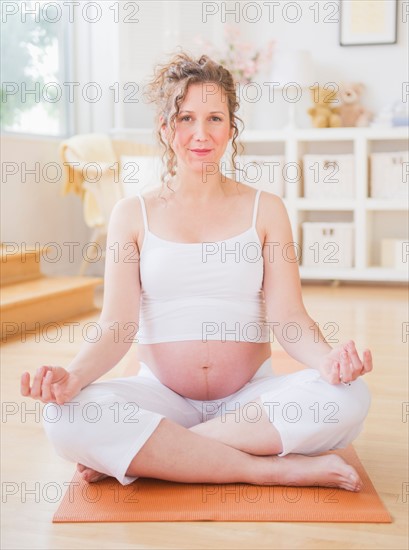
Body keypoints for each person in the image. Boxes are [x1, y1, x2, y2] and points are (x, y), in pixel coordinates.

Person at [20, 52, 372, 490]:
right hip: (161, 398)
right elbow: (116, 325)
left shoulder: (266, 209)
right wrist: (72, 377)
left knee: (350, 396)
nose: (200, 134)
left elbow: (291, 319)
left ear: (231, 127)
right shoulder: (132, 214)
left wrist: (329, 362)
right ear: (166, 128)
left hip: (250, 402)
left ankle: (162, 455)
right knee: (62, 416)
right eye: (185, 118)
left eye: (214, 118)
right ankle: (264, 469)